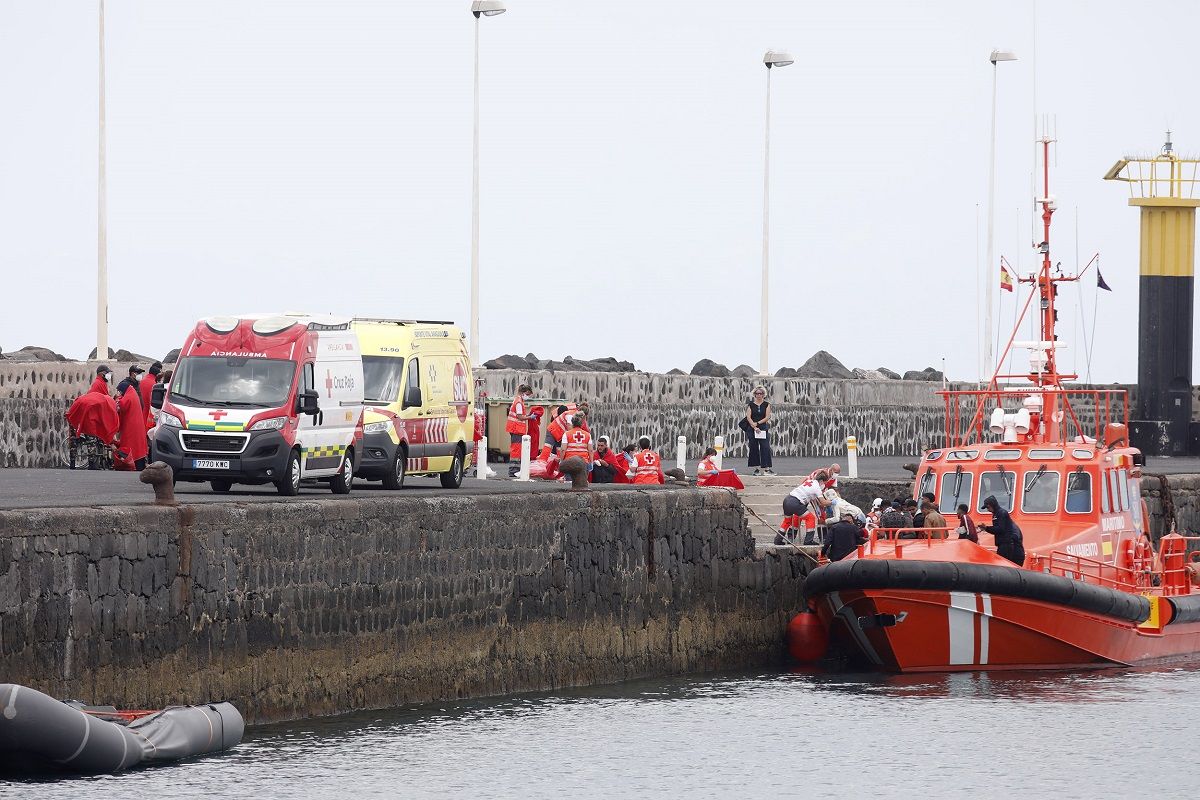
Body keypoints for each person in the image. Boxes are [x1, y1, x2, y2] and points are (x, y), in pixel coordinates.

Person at [777, 472, 833, 545]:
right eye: (825, 483)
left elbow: (815, 500)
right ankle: (808, 541)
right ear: (822, 481)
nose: (824, 485)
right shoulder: (817, 488)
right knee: (811, 518)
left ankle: (778, 540)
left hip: (787, 500)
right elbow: (823, 502)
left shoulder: (809, 481)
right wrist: (832, 501)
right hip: (795, 502)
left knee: (787, 521)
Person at [114, 370, 149, 471]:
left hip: (131, 427)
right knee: (138, 447)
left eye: (120, 392)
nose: (120, 393)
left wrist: (117, 399)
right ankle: (139, 464)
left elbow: (120, 406)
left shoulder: (128, 397)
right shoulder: (132, 393)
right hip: (136, 425)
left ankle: (131, 464)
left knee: (131, 446)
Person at [980, 495, 1026, 565]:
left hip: (1006, 544)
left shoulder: (1001, 513)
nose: (988, 510)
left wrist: (987, 528)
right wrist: (986, 528)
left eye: (988, 507)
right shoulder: (996, 514)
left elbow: (1000, 529)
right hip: (1002, 544)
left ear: (992, 505)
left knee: (1003, 563)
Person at [743, 386, 774, 476]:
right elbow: (748, 416)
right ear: (754, 395)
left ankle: (766, 469)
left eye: (761, 393)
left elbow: (767, 416)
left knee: (765, 447)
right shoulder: (751, 405)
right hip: (752, 429)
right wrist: (754, 426)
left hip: (763, 428)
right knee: (754, 448)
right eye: (757, 393)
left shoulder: (767, 404)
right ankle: (756, 469)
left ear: (764, 395)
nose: (759, 395)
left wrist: (758, 423)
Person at [505, 384, 534, 476]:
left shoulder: (519, 400)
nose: (528, 396)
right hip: (516, 428)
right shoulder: (518, 402)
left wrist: (528, 416)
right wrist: (530, 417)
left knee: (517, 449)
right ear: (523, 393)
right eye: (528, 394)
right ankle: (513, 471)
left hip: (516, 428)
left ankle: (515, 470)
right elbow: (519, 416)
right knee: (516, 450)